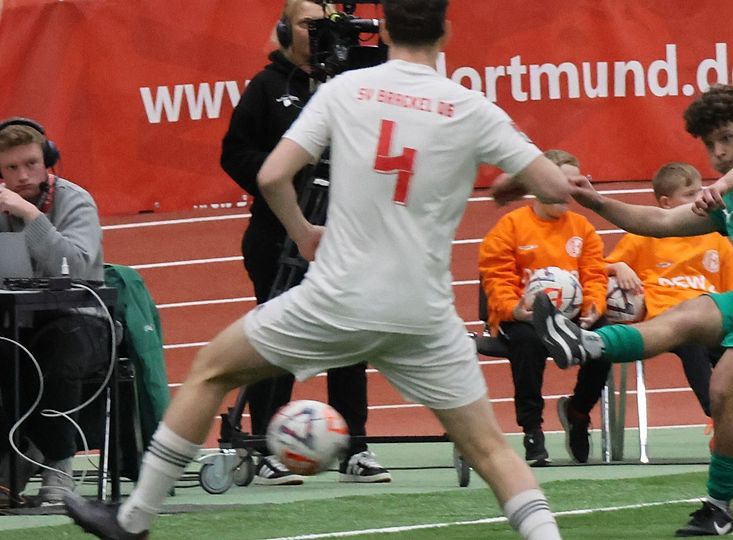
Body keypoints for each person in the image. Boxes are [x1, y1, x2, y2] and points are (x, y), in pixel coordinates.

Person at [64, 1, 570, 538]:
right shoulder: (471, 107)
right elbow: (555, 186)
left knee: (211, 371)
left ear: (384, 28)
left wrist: (304, 232)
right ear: (445, 31)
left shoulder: (344, 89)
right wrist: (510, 181)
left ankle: (134, 520)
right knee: (490, 449)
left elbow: (272, 176)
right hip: (421, 313)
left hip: (338, 298)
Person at [532, 84, 733, 536]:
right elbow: (661, 222)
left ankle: (719, 509)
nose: (719, 152)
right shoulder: (731, 198)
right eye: (710, 144)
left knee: (725, 386)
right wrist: (597, 202)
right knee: (685, 317)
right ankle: (585, 345)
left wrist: (724, 183)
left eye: (727, 139)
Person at [220, 0, 389, 485]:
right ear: (284, 30)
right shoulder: (267, 87)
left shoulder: (354, 83)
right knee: (278, 337)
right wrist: (288, 176)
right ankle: (269, 447)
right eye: (307, 25)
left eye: (325, 25)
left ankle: (354, 447)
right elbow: (235, 154)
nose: (319, 34)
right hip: (278, 234)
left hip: (346, 232)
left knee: (350, 336)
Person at [0, 118, 108, 505]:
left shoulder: (76, 201)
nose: (22, 176)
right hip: (17, 321)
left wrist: (31, 217)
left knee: (58, 357)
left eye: (31, 164)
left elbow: (75, 267)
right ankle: (15, 453)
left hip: (82, 320)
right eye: (11, 168)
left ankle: (59, 463)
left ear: (47, 161)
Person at [479, 149, 609, 465]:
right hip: (522, 316)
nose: (566, 191)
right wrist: (513, 309)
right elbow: (496, 277)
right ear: (540, 184)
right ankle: (532, 429)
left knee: (606, 339)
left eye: (573, 184)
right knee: (528, 342)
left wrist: (594, 306)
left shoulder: (582, 228)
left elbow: (595, 274)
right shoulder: (511, 226)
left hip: (571, 316)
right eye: (560, 182)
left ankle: (578, 411)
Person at [605, 162, 733, 420]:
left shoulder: (716, 239)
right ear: (666, 203)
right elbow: (597, 268)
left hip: (710, 318)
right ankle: (716, 412)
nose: (700, 198)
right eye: (690, 194)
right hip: (666, 321)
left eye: (700, 191)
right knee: (692, 340)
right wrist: (618, 266)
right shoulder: (644, 236)